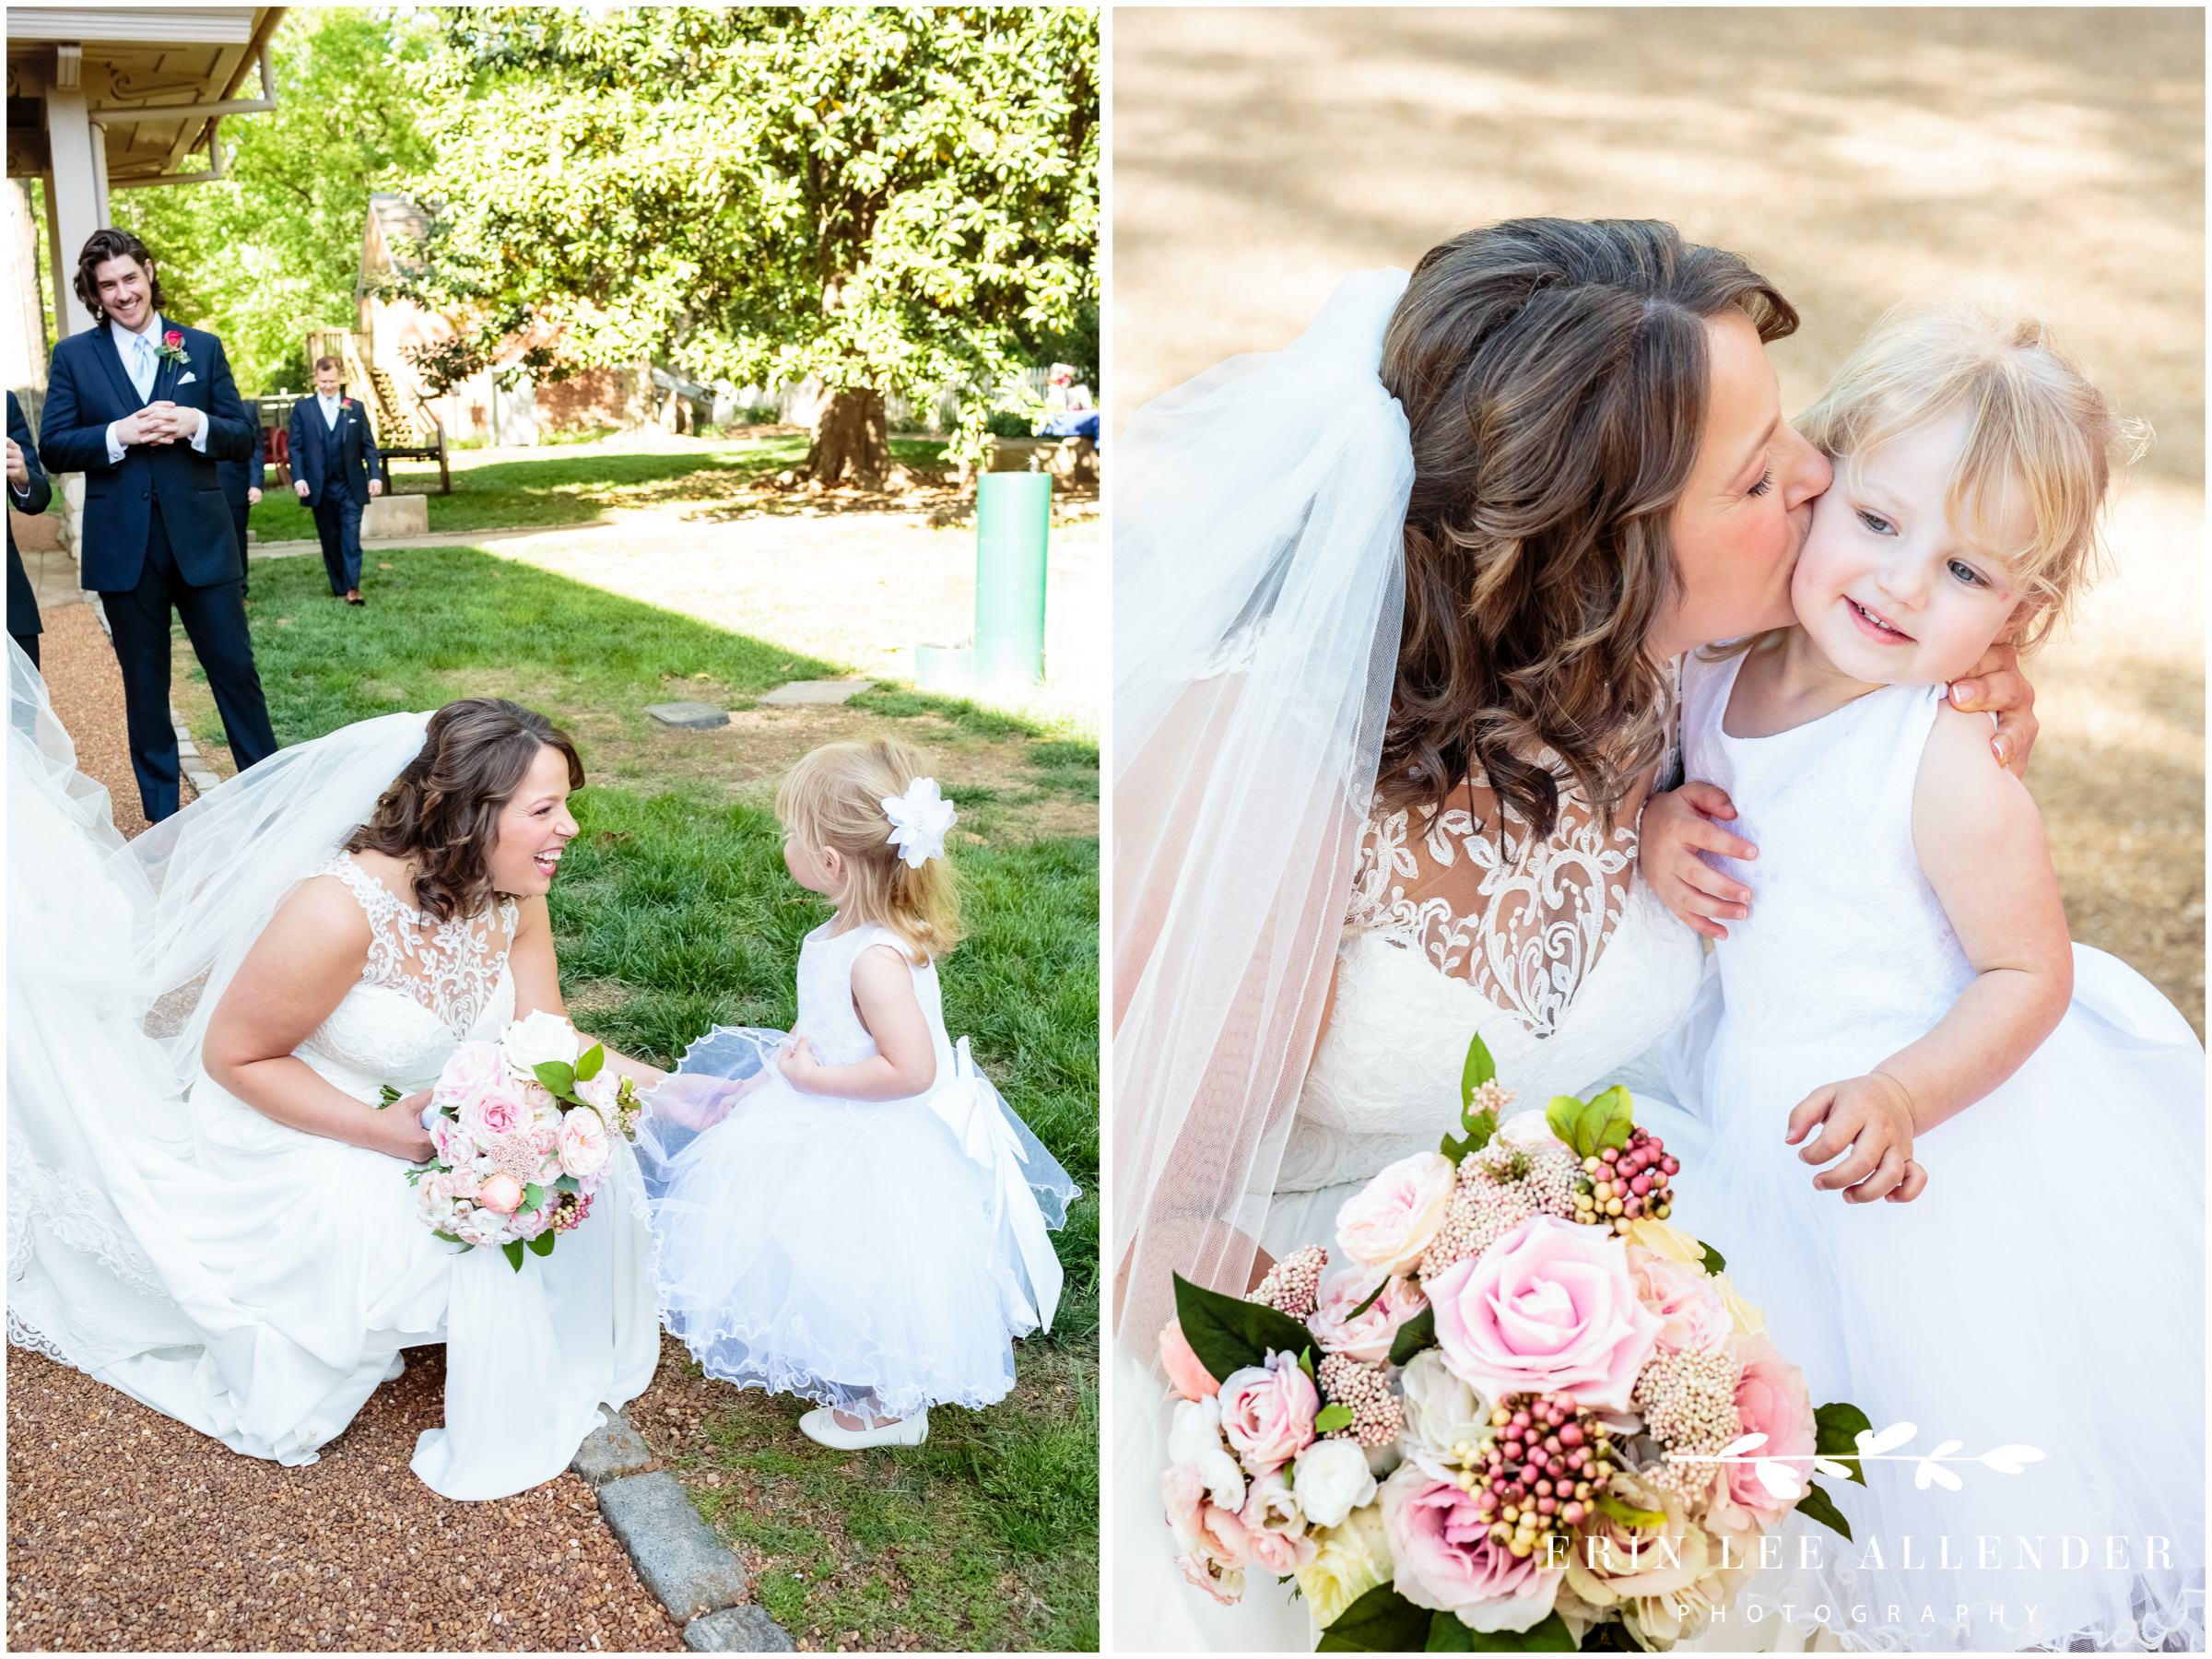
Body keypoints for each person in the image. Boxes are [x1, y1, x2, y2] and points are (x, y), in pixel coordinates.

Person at [1110, 219, 2041, 1650]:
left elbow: (1930, 609)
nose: (1818, 481)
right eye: (1757, 474)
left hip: (1629, 1325)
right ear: (1604, 558)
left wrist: (1990, 691)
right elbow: (1161, 1233)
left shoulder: (1688, 659)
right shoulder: (1286, 763)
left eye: (1793, 437)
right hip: (1330, 1396)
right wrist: (1451, 1423)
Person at [1631, 297, 2201, 1651]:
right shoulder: (1713, 671)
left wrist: (1901, 1092)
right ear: (1817, 478)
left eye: (1967, 573)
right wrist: (1658, 827)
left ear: (2026, 608)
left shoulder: (1940, 762)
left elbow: (2026, 974)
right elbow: (1666, 785)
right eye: (1881, 525)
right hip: (1747, 1096)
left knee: (1925, 1466)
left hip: (1920, 1137)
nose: (1900, 586)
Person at [6, 678, 662, 1500]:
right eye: (544, 810)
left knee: (594, 1159)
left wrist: (670, 1092)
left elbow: (548, 1037)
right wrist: (378, 1131)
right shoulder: (336, 911)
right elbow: (238, 1060)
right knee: (435, 1236)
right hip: (308, 1120)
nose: (568, 828)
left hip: (440, 1117)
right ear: (469, 813)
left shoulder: (515, 893)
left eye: (567, 805)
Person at [634, 739, 1077, 1450]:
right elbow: (820, 1020)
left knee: (862, 1254)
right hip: (824, 1104)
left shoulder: (875, 958)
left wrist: (813, 1080)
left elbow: (911, 1069)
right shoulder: (844, 934)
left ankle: (888, 1404)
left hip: (867, 1131)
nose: (785, 846)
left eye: (791, 836)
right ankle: (847, 1361)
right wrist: (764, 1080)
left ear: (830, 861)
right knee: (814, 1251)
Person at [36, 227, 280, 822]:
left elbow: (241, 435)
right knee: (145, 688)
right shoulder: (73, 357)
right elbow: (54, 446)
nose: (122, 293)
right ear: (95, 294)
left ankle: (272, 803)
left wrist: (195, 423)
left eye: (129, 278)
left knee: (235, 671)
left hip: (202, 540)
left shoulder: (200, 347)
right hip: (126, 548)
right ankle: (164, 819)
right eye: (107, 285)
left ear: (149, 272)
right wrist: (116, 435)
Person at [288, 355, 382, 606]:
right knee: (330, 539)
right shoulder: (303, 409)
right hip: (319, 487)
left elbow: (368, 447)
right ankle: (339, 586)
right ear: (316, 379)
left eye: (332, 380)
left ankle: (352, 589)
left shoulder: (356, 407)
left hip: (351, 486)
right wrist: (298, 479)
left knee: (351, 538)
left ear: (340, 378)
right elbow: (295, 447)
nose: (328, 386)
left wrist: (375, 475)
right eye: (323, 381)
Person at [7, 389, 51, 666]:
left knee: (17, 710)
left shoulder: (4, 404)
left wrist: (22, 477)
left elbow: (38, 496)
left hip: (8, 600)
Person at [216, 409, 265, 600]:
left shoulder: (247, 411)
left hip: (236, 484)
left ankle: (240, 591)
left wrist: (255, 483)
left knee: (237, 540)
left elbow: (255, 450)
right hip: (197, 485)